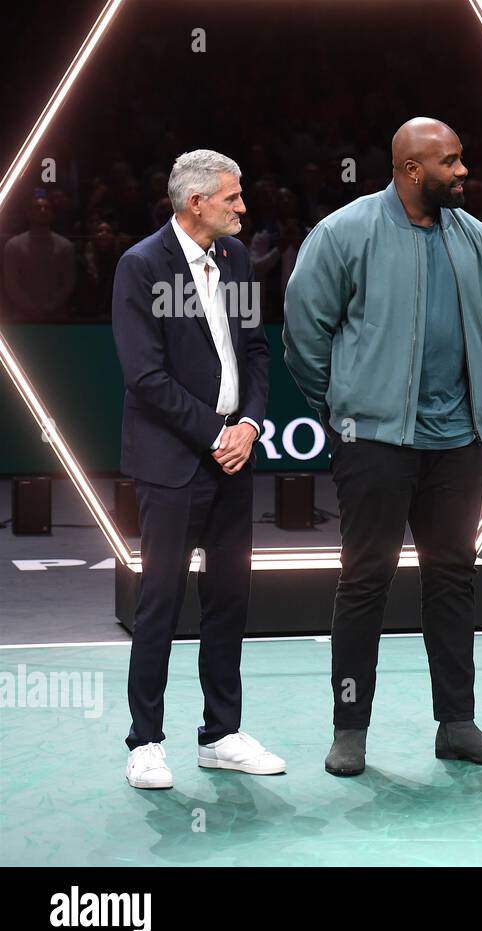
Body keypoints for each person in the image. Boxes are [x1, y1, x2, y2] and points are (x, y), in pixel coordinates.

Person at [284, 117, 482, 774]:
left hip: (455, 444)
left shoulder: (476, 238)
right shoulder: (343, 232)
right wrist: (344, 408)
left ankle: (458, 724)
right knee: (365, 581)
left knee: (452, 579)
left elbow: (475, 324)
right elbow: (304, 333)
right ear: (413, 170)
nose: (463, 171)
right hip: (375, 442)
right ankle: (349, 729)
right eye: (451, 162)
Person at [111, 149, 282, 788]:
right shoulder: (141, 266)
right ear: (196, 203)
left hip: (234, 458)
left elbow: (258, 351)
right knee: (160, 599)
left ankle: (221, 733)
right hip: (173, 462)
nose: (244, 208)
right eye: (233, 199)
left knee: (228, 597)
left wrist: (249, 426)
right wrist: (216, 434)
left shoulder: (236, 260)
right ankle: (145, 741)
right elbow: (145, 376)